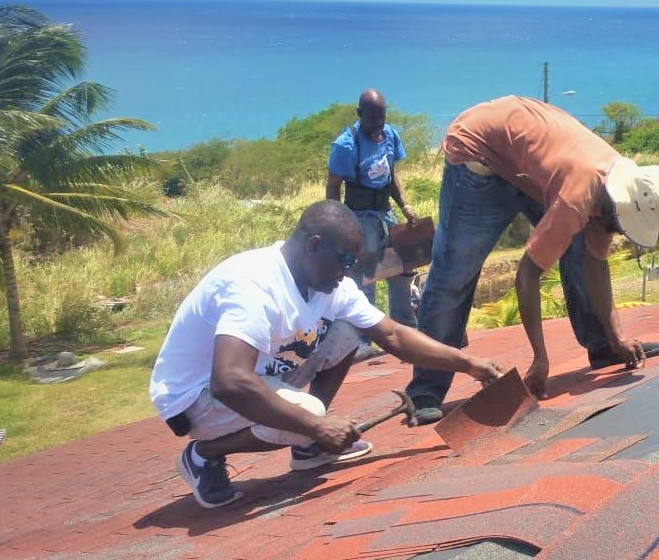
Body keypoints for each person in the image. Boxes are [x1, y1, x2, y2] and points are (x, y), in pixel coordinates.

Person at [149, 200, 503, 509]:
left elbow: (393, 335)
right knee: (310, 414)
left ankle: (308, 448)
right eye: (345, 260)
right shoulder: (252, 285)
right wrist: (316, 426)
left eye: (355, 262)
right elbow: (229, 381)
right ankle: (203, 455)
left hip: (259, 372)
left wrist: (469, 364)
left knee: (348, 331)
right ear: (315, 245)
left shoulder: (330, 284)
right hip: (197, 396)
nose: (349, 271)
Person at [405, 95, 659, 425]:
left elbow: (595, 261)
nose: (619, 232)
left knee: (578, 244)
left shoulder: (617, 192)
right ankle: (426, 389)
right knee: (454, 273)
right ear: (616, 208)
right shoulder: (582, 194)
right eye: (622, 226)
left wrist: (618, 335)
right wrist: (540, 358)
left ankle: (606, 346)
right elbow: (528, 274)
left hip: (525, 161)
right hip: (478, 155)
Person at [327, 89, 420, 360]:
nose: (378, 123)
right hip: (359, 218)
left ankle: (407, 332)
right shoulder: (346, 145)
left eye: (382, 116)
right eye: (372, 117)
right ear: (360, 114)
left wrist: (404, 205)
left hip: (385, 214)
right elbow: (333, 187)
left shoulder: (389, 135)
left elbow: (391, 175)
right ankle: (361, 342)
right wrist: (339, 226)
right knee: (363, 281)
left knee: (400, 272)